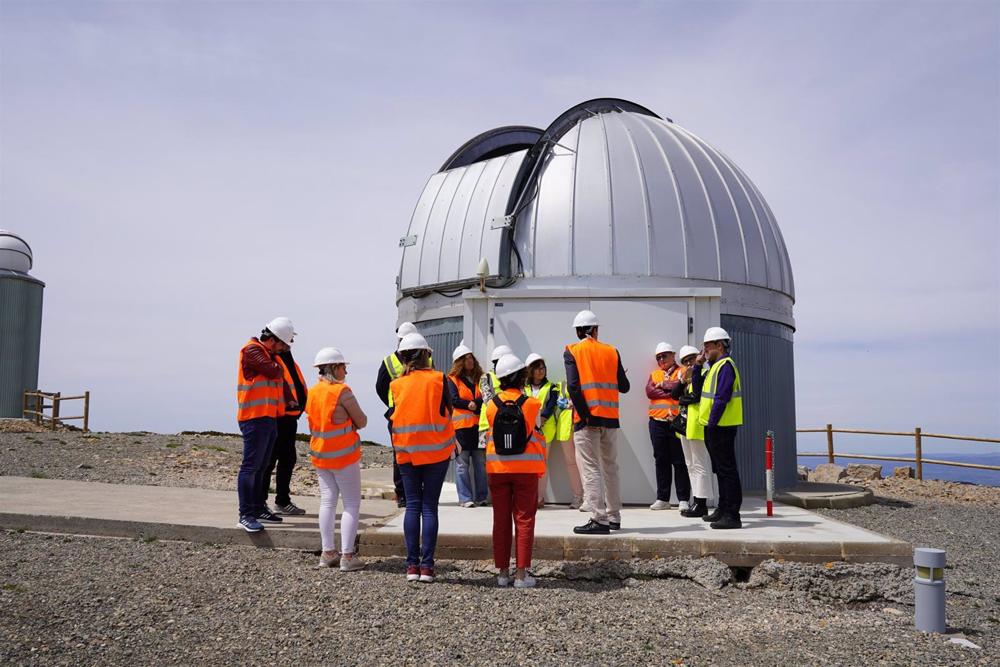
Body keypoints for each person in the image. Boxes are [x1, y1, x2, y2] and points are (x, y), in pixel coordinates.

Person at [389, 332, 455, 583]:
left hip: (406, 452)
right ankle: (426, 567)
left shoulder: (396, 384)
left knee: (413, 506)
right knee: (429, 507)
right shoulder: (440, 379)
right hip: (436, 451)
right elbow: (448, 410)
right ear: (426, 355)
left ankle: (411, 566)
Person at [564, 310, 630, 535]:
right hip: (610, 419)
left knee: (590, 468)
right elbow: (624, 386)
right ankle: (614, 516)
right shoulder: (612, 351)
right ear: (596, 329)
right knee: (611, 467)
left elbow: (573, 387)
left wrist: (584, 415)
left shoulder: (572, 351)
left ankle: (598, 518)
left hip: (586, 420)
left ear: (578, 331)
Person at [485, 354, 547, 588]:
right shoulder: (532, 404)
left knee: (500, 520)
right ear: (522, 376)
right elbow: (539, 436)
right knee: (524, 520)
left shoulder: (491, 405)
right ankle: (521, 575)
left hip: (497, 468)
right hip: (526, 469)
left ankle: (502, 573)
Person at [305, 347, 367, 571]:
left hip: (321, 455)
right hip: (344, 455)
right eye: (343, 367)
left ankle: (328, 552)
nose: (345, 372)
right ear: (334, 368)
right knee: (351, 504)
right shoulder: (342, 391)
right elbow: (362, 421)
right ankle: (347, 556)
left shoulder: (312, 392)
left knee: (327, 502)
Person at [235, 317, 296, 533]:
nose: (284, 349)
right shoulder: (252, 350)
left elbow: (278, 377)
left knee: (261, 467)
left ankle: (259, 507)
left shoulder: (269, 354)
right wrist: (277, 365)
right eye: (283, 344)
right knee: (251, 467)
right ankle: (246, 514)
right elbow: (273, 371)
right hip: (254, 417)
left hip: (268, 418)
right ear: (273, 339)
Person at [698, 327, 744, 530]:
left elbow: (722, 397)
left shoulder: (725, 366)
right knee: (720, 470)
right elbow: (700, 390)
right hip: (714, 426)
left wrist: (713, 422)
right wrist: (699, 365)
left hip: (721, 426)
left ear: (719, 345)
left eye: (708, 346)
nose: (705, 349)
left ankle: (732, 514)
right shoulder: (714, 367)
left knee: (727, 471)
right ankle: (723, 509)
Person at [524, 352, 583, 509]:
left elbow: (550, 407)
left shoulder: (553, 387)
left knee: (542, 465)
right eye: (537, 368)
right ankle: (531, 497)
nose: (540, 371)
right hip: (527, 432)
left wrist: (540, 419)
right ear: (530, 370)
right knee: (529, 467)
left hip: (546, 432)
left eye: (542, 368)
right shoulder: (524, 388)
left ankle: (540, 498)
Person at [260, 347, 308, 515]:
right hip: (277, 416)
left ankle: (282, 501)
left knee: (287, 459)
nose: (290, 344)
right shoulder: (271, 357)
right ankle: (261, 502)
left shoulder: (287, 360)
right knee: (269, 460)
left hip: (289, 417)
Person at [376, 321, 419, 508]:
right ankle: (403, 494)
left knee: (410, 455)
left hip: (414, 413)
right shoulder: (389, 362)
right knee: (401, 456)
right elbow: (380, 388)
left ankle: (409, 493)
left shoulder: (425, 360)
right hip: (401, 415)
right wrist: (393, 404)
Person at [645, 342, 691, 511]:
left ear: (673, 355)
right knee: (661, 460)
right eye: (658, 357)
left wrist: (664, 386)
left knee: (679, 461)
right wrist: (672, 389)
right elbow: (649, 392)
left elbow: (682, 388)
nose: (662, 359)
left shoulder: (683, 371)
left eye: (665, 355)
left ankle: (683, 499)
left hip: (676, 423)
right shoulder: (654, 374)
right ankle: (662, 498)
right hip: (656, 423)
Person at [672, 345, 714, 518]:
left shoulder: (703, 375)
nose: (689, 363)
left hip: (697, 426)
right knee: (690, 465)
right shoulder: (687, 379)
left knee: (699, 465)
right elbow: (675, 395)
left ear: (698, 358)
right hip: (685, 428)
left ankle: (701, 502)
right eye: (685, 361)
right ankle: (696, 501)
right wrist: (682, 381)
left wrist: (684, 398)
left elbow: (696, 396)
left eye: (691, 359)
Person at [447, 343, 486, 507]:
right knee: (462, 465)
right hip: (461, 429)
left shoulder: (480, 378)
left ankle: (482, 497)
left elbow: (485, 396)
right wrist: (468, 404)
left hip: (478, 428)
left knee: (480, 465)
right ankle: (465, 498)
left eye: (471, 358)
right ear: (459, 362)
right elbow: (453, 399)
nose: (470, 361)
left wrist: (474, 403)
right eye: (466, 358)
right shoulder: (452, 380)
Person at [477, 344, 513, 449]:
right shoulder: (486, 378)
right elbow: (489, 401)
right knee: (490, 461)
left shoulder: (513, 378)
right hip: (488, 426)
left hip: (509, 425)